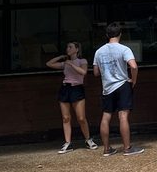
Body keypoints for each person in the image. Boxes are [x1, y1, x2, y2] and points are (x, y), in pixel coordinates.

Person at [93, 23, 143, 157]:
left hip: (107, 87)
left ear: (107, 35)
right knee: (123, 116)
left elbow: (96, 72)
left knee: (106, 116)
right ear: (120, 34)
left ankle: (106, 149)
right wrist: (133, 80)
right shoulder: (124, 49)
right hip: (122, 84)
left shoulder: (99, 51)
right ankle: (127, 148)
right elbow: (133, 66)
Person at [47, 42, 97, 153]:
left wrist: (72, 64)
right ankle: (68, 142)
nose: (68, 49)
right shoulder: (65, 63)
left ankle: (88, 139)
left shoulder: (82, 61)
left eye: (70, 47)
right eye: (67, 47)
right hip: (65, 88)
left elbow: (83, 72)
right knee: (66, 118)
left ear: (77, 49)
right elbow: (49, 64)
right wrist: (61, 57)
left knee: (81, 118)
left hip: (77, 88)